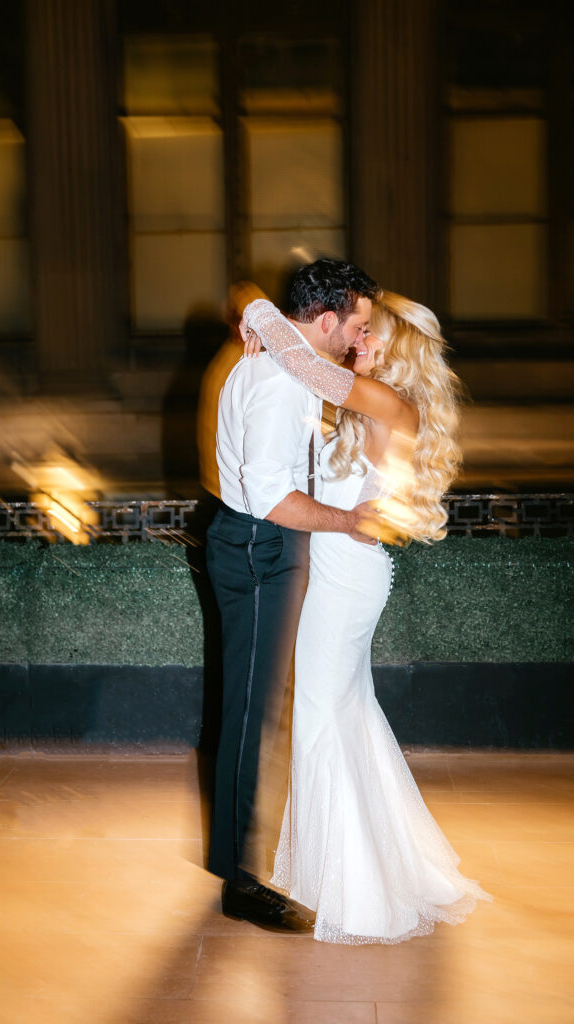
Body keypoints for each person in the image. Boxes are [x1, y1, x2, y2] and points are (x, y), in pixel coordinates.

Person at [241, 288, 492, 943]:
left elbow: (307, 370)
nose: (358, 338)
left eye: (371, 332)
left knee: (322, 719)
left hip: (347, 578)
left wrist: (259, 311)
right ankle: (356, 871)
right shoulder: (374, 401)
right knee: (342, 714)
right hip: (340, 572)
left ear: (398, 346)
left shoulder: (385, 400)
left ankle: (351, 893)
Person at [206, 259, 381, 931]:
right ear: (326, 320)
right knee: (251, 714)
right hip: (259, 547)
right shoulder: (283, 382)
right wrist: (346, 522)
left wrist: (254, 315)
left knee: (258, 708)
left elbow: (252, 303)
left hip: (256, 543)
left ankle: (239, 862)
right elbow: (274, 498)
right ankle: (240, 882)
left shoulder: (289, 359)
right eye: (356, 327)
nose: (358, 341)